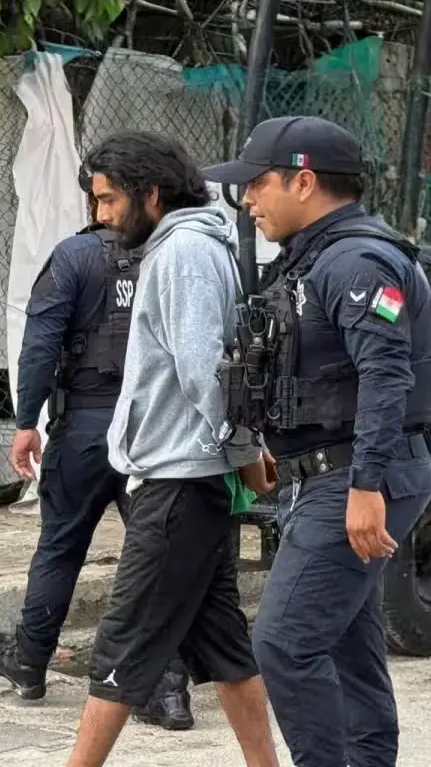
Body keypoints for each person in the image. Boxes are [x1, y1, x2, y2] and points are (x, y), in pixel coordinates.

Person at [203, 116, 431, 767]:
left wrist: (365, 484)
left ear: (303, 181)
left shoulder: (358, 260)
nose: (246, 199)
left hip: (360, 478)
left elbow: (385, 373)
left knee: (284, 644)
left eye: (256, 184)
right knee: (345, 644)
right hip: (334, 472)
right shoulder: (317, 257)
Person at [64, 130, 281, 767]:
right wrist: (241, 451)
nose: (101, 216)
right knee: (225, 647)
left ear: (150, 193)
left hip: (178, 484)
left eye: (108, 201)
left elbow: (203, 370)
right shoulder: (191, 245)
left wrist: (243, 452)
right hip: (192, 479)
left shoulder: (182, 252)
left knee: (121, 651)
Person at [0, 163, 194, 731]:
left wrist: (26, 420)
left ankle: (29, 664)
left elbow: (40, 344)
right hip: (152, 430)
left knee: (60, 545)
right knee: (158, 557)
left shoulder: (74, 258)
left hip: (83, 429)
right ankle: (168, 690)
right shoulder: (174, 252)